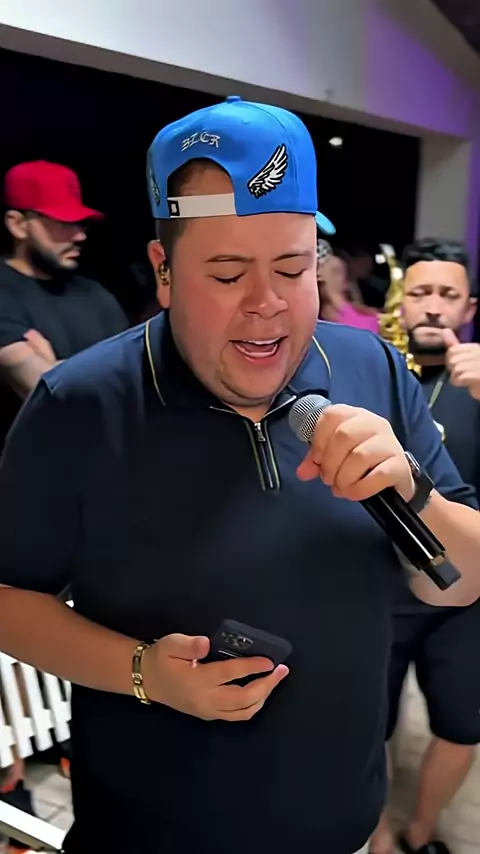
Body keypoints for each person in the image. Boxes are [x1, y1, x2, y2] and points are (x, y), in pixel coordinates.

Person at [0, 98, 480, 854]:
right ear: (163, 271)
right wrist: (144, 672)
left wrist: (414, 488)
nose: (267, 305)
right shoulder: (83, 404)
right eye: (227, 274)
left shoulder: (371, 367)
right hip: (150, 832)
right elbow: (8, 600)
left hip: (341, 826)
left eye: (293, 268)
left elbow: (458, 580)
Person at [370, 238, 480, 854]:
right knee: (370, 724)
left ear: (468, 307)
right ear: (399, 301)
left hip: (470, 594)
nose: (433, 306)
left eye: (447, 294)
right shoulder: (372, 370)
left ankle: (422, 832)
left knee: (463, 725)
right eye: (420, 292)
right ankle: (380, 834)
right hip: (378, 584)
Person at [0, 160, 128, 445]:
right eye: (63, 222)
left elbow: (145, 388)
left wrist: (59, 371)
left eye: (80, 223)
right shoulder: (4, 291)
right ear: (18, 224)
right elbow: (45, 394)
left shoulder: (95, 293)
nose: (80, 234)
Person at [317, 241, 379, 331]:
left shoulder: (368, 315)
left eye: (336, 271)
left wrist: (334, 296)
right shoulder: (307, 316)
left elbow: (364, 330)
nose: (328, 276)